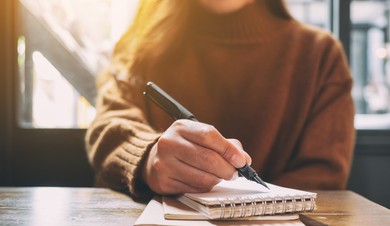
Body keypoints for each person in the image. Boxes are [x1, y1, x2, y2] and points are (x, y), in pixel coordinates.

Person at [85, 0, 355, 201]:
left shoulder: (321, 56)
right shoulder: (139, 45)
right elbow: (108, 125)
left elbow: (324, 175)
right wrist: (147, 157)